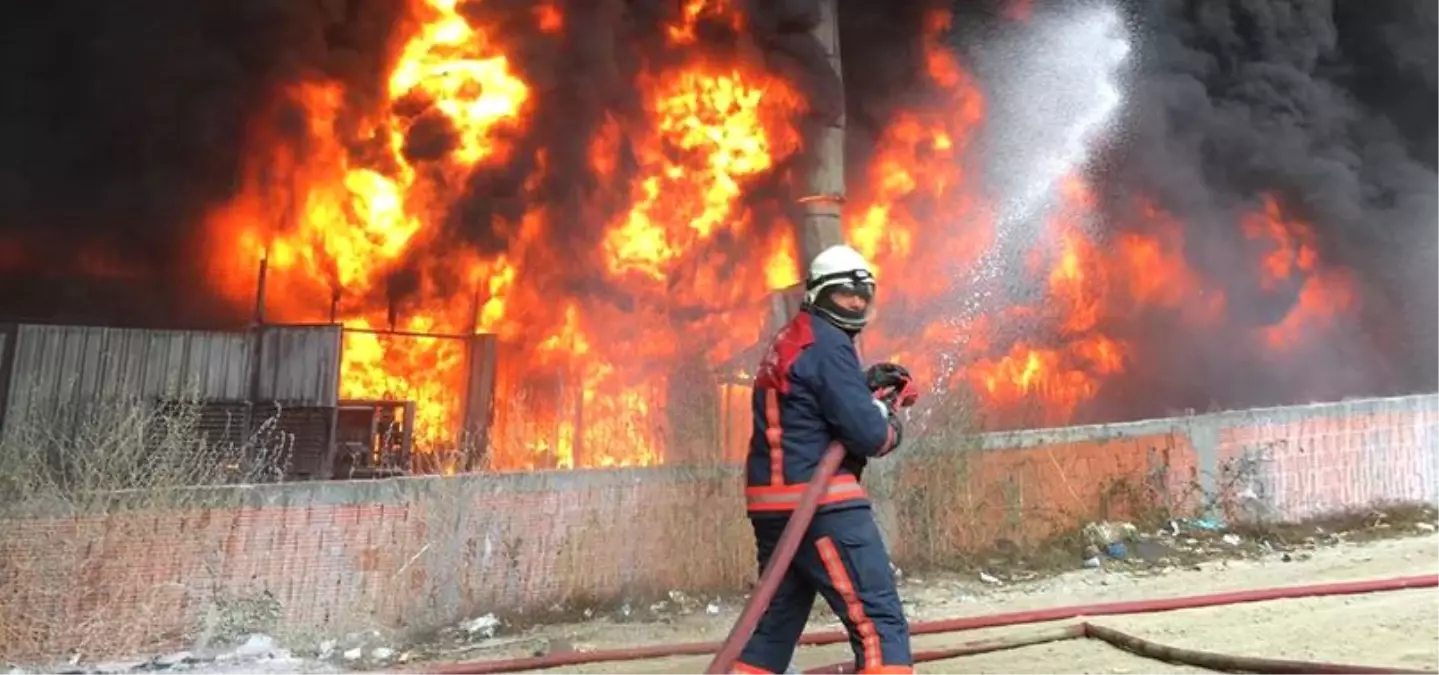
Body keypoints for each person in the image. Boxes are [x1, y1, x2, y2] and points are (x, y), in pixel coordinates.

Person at [733, 244, 919, 675]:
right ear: (817, 293)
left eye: (863, 295)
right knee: (879, 623)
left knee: (773, 628)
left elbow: (815, 402)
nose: (855, 303)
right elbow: (869, 435)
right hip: (823, 508)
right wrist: (890, 421)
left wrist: (863, 384)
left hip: (776, 509)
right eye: (844, 294)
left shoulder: (791, 340)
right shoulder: (829, 344)